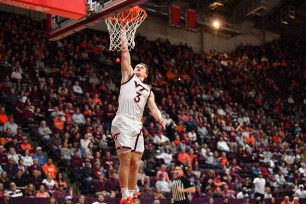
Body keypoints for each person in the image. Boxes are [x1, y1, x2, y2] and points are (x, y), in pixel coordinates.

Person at [111, 30, 166, 204]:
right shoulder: (128, 76)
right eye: (137, 66)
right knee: (125, 160)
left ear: (146, 74)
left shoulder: (149, 90)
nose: (138, 67)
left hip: (136, 124)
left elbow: (154, 108)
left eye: (142, 67)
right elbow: (125, 52)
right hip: (123, 120)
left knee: (136, 162)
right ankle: (124, 195)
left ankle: (132, 193)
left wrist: (160, 118)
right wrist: (123, 32)